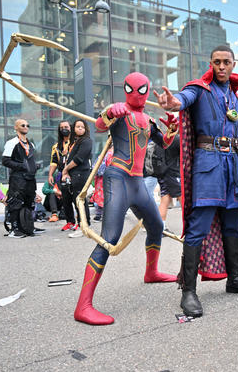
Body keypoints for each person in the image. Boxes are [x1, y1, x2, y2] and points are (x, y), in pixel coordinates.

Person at [155, 45, 238, 319]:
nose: (221, 67)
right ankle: (188, 291)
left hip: (233, 166)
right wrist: (173, 103)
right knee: (198, 225)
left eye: (226, 62)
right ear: (211, 63)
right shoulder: (199, 90)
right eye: (216, 62)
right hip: (207, 164)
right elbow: (184, 98)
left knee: (233, 223)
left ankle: (235, 279)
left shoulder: (236, 100)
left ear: (233, 64)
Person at [73, 72, 177, 326]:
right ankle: (83, 306)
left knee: (156, 226)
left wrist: (173, 128)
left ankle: (151, 272)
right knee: (109, 239)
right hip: (118, 178)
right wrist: (109, 114)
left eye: (142, 90)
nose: (137, 94)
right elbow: (98, 126)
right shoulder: (119, 113)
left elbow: (164, 143)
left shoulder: (148, 119)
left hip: (138, 182)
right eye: (132, 89)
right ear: (125, 88)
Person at [2, 119, 44, 238]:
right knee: (16, 202)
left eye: (27, 125)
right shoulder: (12, 142)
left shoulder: (31, 144)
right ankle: (14, 229)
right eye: (23, 125)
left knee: (30, 203)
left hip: (30, 178)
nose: (26, 127)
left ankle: (29, 226)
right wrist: (21, 166)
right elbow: (5, 161)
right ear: (16, 127)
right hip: (18, 178)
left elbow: (30, 160)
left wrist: (34, 166)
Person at [61, 119, 93, 238]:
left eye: (82, 127)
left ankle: (84, 226)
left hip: (81, 174)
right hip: (74, 174)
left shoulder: (86, 141)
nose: (80, 128)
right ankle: (80, 224)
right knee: (75, 200)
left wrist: (66, 169)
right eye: (78, 126)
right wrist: (66, 171)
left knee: (80, 200)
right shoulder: (74, 142)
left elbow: (79, 159)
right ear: (73, 128)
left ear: (86, 129)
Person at [48, 120, 74, 228]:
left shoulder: (76, 142)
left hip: (74, 173)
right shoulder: (56, 146)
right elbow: (54, 162)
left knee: (77, 199)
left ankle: (83, 222)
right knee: (66, 200)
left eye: (66, 126)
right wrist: (50, 175)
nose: (64, 129)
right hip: (61, 175)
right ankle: (70, 222)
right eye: (62, 127)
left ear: (70, 128)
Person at [90, 146, 113, 222]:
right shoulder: (113, 154)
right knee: (107, 197)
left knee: (99, 197)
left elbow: (95, 166)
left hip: (99, 179)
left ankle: (98, 215)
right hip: (107, 179)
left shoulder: (103, 154)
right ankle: (104, 215)